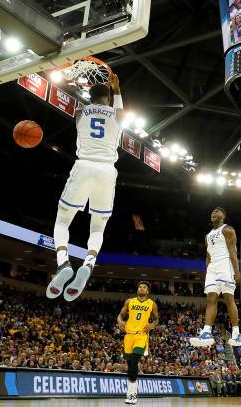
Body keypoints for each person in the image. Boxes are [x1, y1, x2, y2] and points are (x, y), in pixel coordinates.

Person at [46, 73, 125, 302]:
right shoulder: (117, 113)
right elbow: (117, 109)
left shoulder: (80, 112)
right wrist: (117, 90)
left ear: (90, 97)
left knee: (62, 220)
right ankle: (89, 264)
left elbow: (86, 106)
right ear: (108, 98)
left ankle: (63, 263)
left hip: (84, 166)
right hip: (107, 171)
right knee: (97, 229)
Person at [189, 208, 241, 347]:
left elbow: (233, 252)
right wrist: (209, 271)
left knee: (228, 298)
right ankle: (207, 332)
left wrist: (237, 271)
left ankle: (236, 333)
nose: (213, 213)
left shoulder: (228, 230)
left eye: (217, 211)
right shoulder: (208, 235)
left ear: (224, 216)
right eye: (212, 211)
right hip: (213, 268)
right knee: (211, 298)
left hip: (226, 264)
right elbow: (208, 256)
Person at [117, 281, 159, 405]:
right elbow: (120, 315)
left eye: (144, 287)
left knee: (135, 359)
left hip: (142, 335)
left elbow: (157, 319)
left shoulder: (152, 304)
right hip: (129, 335)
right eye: (140, 287)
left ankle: (132, 393)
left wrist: (151, 325)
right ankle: (132, 389)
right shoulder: (130, 301)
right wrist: (120, 321)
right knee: (130, 364)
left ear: (147, 291)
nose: (141, 288)